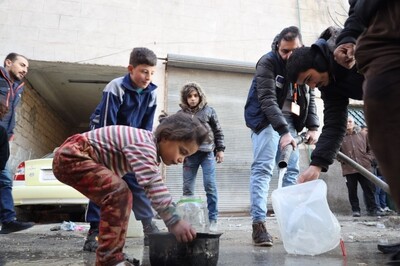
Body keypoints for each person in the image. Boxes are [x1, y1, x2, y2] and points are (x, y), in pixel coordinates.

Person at [52, 112, 209, 266]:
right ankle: (109, 259)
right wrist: (174, 221)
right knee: (119, 193)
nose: (182, 159)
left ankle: (112, 255)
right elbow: (152, 183)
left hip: (76, 154)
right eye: (182, 151)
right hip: (73, 155)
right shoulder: (144, 144)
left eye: (187, 156)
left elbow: (146, 187)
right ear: (166, 136)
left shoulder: (147, 148)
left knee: (120, 198)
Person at [244, 26, 319, 247]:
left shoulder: (304, 64)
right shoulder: (267, 63)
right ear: (278, 46)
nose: (288, 56)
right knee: (264, 168)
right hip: (266, 120)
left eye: (292, 51)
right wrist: (284, 132)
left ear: (301, 48)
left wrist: (313, 126)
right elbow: (267, 99)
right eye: (284, 51)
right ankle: (259, 225)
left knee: (292, 172)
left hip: (292, 124)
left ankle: (291, 224)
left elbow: (310, 96)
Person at [84, 47, 160, 251]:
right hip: (105, 139)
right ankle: (94, 232)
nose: (148, 77)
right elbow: (107, 125)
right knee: (103, 182)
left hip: (132, 141)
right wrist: (114, 154)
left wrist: (143, 153)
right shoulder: (115, 87)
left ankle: (149, 226)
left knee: (138, 179)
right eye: (144, 71)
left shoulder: (151, 93)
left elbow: (146, 129)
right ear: (131, 69)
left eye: (152, 73)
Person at [286, 33, 365, 185]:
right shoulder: (329, 87)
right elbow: (334, 125)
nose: (313, 86)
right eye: (306, 84)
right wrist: (316, 165)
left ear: (318, 62)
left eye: (309, 78)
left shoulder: (349, 47)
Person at [178, 82, 225, 232]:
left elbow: (218, 131)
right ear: (185, 99)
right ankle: (191, 221)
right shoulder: (181, 115)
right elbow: (177, 135)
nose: (192, 99)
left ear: (200, 96)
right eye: (189, 96)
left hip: (207, 153)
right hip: (189, 155)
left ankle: (213, 219)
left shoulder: (209, 111)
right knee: (187, 189)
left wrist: (220, 149)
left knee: (209, 185)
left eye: (195, 95)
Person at [0, 53, 34, 234]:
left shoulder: (18, 87)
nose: (25, 70)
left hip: (3, 138)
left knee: (4, 179)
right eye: (22, 65)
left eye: (27, 68)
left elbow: (11, 113)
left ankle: (8, 220)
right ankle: (8, 220)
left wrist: (9, 136)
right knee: (4, 179)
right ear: (8, 62)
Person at [339, 116, 380, 217]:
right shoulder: (340, 137)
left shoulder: (363, 134)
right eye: (346, 122)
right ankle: (356, 210)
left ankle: (372, 210)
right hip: (349, 168)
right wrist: (342, 160)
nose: (348, 123)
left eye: (350, 121)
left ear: (354, 123)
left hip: (364, 167)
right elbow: (336, 152)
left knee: (369, 189)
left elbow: (372, 149)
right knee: (352, 191)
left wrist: (368, 158)